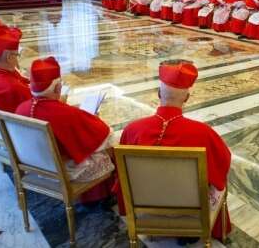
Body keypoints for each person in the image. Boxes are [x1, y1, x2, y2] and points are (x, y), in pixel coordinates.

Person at [118, 60, 232, 240]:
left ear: (158, 93)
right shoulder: (203, 133)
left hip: (145, 201)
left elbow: (121, 173)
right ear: (186, 98)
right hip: (191, 206)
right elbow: (223, 164)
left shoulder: (132, 130)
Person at [16, 57, 115, 183]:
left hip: (35, 167)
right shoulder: (67, 114)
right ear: (57, 87)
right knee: (109, 149)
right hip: (61, 172)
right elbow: (105, 134)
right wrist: (94, 119)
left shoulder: (21, 108)